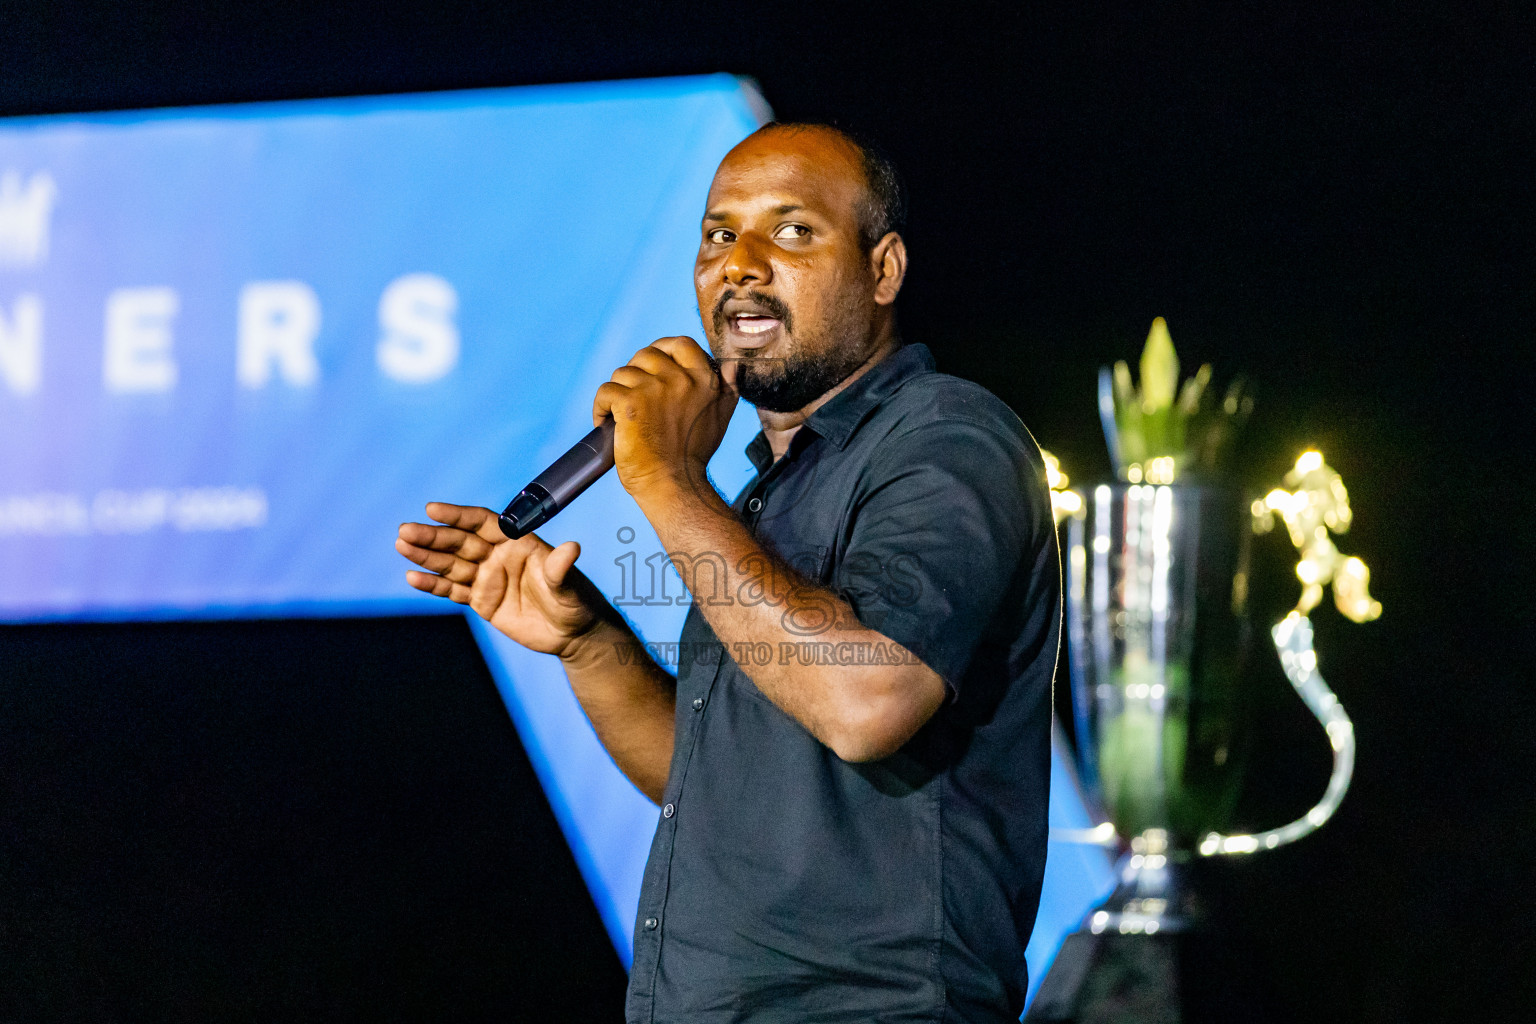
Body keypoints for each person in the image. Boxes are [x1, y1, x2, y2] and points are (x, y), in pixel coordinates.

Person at [394, 122, 1059, 1023]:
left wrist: (664, 476)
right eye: (718, 234)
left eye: (791, 231)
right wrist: (589, 644)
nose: (739, 263)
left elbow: (869, 704)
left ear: (883, 269)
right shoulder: (761, 498)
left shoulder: (948, 439)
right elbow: (711, 774)